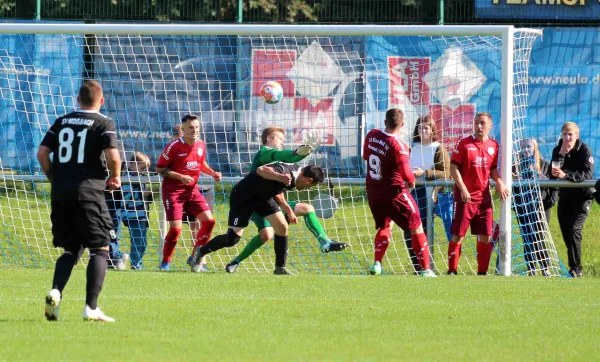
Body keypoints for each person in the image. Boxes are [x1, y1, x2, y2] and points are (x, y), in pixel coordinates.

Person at [37, 80, 121, 322]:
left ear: (77, 100)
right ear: (101, 100)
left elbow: (42, 153)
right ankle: (91, 308)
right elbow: (113, 155)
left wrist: (54, 177)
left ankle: (56, 291)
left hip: (61, 193)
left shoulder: (62, 121)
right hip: (89, 193)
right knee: (101, 247)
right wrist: (115, 177)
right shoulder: (103, 123)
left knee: (72, 248)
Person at [224, 126, 347, 273]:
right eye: (280, 139)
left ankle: (325, 242)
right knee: (266, 234)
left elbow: (288, 162)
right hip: (258, 201)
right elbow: (286, 157)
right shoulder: (264, 153)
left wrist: (302, 153)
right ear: (269, 138)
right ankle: (236, 261)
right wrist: (297, 152)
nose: (282, 142)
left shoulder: (279, 159)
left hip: (273, 201)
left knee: (307, 209)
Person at [190, 163, 326, 275]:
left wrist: (288, 210)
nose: (308, 188)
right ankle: (201, 251)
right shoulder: (284, 171)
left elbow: (277, 190)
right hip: (244, 197)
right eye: (311, 186)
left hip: (263, 198)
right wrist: (280, 176)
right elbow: (261, 170)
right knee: (232, 239)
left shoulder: (294, 175)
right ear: (308, 180)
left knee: (282, 226)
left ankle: (280, 268)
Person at [363, 108, 436, 277]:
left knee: (385, 225)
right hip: (395, 193)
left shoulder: (371, 135)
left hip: (374, 192)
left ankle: (377, 264)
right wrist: (412, 180)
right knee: (417, 225)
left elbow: (366, 156)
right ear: (402, 124)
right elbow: (406, 174)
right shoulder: (399, 146)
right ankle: (425, 269)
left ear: (384, 122)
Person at [156, 114, 222, 271]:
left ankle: (195, 257)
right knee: (176, 229)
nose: (194, 130)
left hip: (192, 191)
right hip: (173, 192)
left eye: (197, 127)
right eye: (191, 127)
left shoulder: (201, 145)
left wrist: (212, 173)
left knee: (209, 221)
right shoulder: (174, 146)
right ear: (183, 129)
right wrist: (180, 176)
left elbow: (201, 163)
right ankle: (165, 262)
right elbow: (160, 169)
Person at [447, 112, 509, 276]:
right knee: (458, 236)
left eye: (482, 123)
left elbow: (493, 169)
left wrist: (500, 182)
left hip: (484, 200)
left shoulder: (494, 146)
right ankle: (452, 270)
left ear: (490, 126)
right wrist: (463, 188)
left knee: (486, 237)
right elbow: (453, 168)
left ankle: (482, 273)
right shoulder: (464, 143)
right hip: (464, 199)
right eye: (476, 123)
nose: (479, 126)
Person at [404, 115, 452, 273]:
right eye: (420, 127)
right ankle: (417, 266)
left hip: (430, 194)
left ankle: (427, 266)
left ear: (432, 130)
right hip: (410, 193)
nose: (423, 130)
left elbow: (446, 173)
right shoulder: (412, 147)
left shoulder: (438, 148)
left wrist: (425, 172)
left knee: (423, 229)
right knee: (408, 229)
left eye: (426, 128)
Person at [551, 122, 594, 278]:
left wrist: (566, 175)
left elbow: (587, 176)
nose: (567, 138)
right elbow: (552, 173)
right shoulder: (558, 149)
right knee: (566, 233)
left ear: (577, 136)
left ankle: (577, 269)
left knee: (575, 230)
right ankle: (574, 267)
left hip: (582, 198)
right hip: (565, 198)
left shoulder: (584, 150)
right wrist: (561, 154)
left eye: (570, 135)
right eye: (564, 134)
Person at [171, 124, 215, 271]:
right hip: (188, 191)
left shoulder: (198, 146)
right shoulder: (173, 149)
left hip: (205, 188)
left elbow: (202, 164)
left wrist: (213, 174)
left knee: (205, 225)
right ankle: (197, 258)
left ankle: (199, 257)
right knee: (194, 226)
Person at [513, 138, 558, 276]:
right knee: (527, 237)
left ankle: (545, 268)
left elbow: (554, 186)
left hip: (541, 208)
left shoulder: (545, 165)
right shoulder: (516, 166)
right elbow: (512, 189)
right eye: (524, 147)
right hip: (523, 208)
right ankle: (531, 268)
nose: (527, 149)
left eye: (529, 146)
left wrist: (549, 202)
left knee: (538, 236)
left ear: (535, 148)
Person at [119, 152, 154, 270]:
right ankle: (135, 265)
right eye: (143, 167)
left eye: (147, 168)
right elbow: (126, 195)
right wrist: (143, 193)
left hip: (142, 215)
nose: (145, 170)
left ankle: (137, 263)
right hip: (132, 215)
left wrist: (149, 195)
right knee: (137, 241)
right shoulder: (127, 177)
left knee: (143, 243)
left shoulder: (140, 177)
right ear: (132, 164)